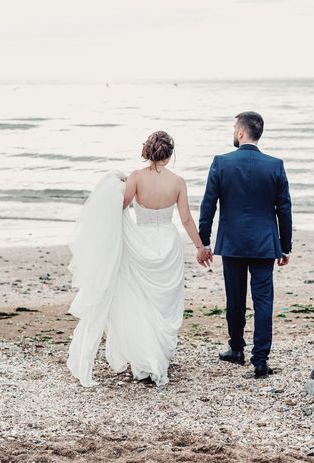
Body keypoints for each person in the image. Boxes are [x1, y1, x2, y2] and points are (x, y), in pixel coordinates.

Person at [66, 131, 210, 387]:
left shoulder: (136, 177)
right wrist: (201, 247)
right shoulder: (178, 182)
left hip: (140, 243)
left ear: (148, 151)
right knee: (163, 304)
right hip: (167, 244)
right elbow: (187, 220)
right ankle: (156, 358)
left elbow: (118, 208)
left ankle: (145, 359)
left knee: (139, 300)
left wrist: (115, 185)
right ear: (169, 154)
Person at [198, 111, 293, 378]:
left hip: (233, 243)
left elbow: (208, 204)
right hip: (265, 244)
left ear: (241, 133)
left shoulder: (221, 163)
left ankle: (236, 349)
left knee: (235, 298)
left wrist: (204, 240)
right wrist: (285, 246)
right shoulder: (274, 165)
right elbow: (283, 208)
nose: (233, 133)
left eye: (233, 129)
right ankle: (260, 360)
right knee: (263, 301)